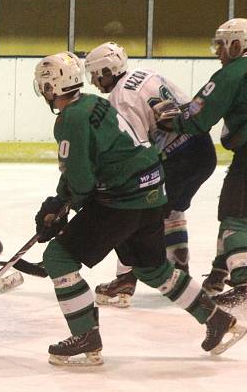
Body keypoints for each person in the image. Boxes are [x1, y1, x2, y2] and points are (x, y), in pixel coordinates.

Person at [32, 51, 246, 366]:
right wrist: (61, 203)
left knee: (58, 257)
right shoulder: (97, 104)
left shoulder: (70, 119)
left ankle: (85, 334)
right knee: (152, 268)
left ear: (51, 87)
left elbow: (81, 179)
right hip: (152, 192)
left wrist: (62, 207)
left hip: (123, 200)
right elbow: (93, 164)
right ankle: (216, 319)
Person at [157, 18, 247, 310]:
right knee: (237, 211)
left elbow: (197, 120)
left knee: (235, 219)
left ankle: (244, 283)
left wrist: (169, 119)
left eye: (221, 45)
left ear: (236, 44)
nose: (217, 52)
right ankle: (219, 273)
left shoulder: (232, 72)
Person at [84, 42, 217, 307]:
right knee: (172, 208)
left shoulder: (120, 98)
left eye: (96, 75)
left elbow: (135, 146)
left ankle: (126, 279)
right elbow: (189, 107)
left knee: (134, 211)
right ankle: (179, 267)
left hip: (177, 159)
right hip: (203, 150)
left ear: (108, 71)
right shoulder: (149, 73)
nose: (95, 83)